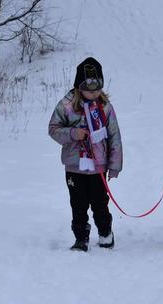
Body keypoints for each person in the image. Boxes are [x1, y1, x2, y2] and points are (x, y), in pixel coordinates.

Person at [48, 57, 123, 252]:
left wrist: (114, 165)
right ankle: (81, 238)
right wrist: (73, 133)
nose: (94, 93)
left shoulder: (105, 107)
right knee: (78, 205)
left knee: (100, 204)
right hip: (75, 167)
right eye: (89, 89)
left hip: (98, 166)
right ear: (79, 86)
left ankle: (106, 233)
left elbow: (114, 137)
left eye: (97, 88)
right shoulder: (66, 105)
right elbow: (53, 129)